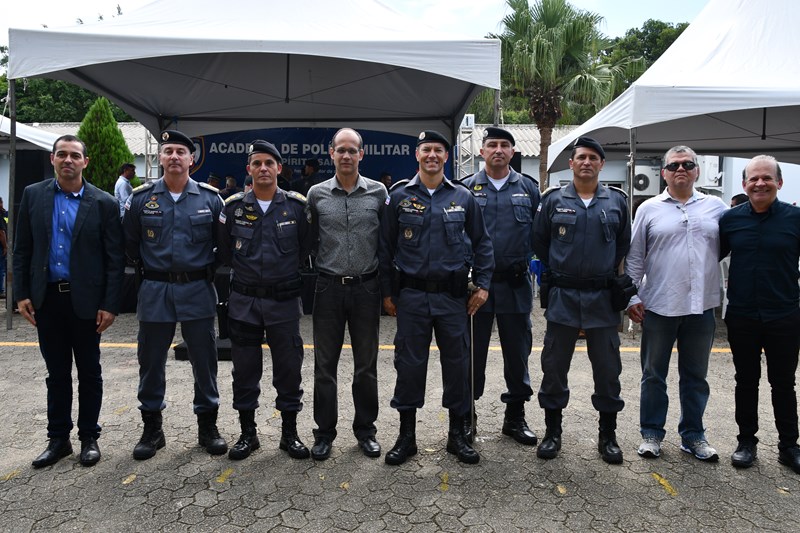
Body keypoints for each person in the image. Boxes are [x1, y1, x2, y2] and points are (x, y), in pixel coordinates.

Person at [379, 130, 494, 465]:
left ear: (447, 156)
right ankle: (406, 437)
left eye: (438, 150)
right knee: (409, 365)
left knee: (458, 366)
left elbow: (483, 243)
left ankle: (457, 436)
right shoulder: (398, 196)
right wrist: (388, 293)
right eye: (426, 149)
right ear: (417, 155)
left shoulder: (463, 196)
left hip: (452, 298)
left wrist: (483, 285)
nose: (432, 155)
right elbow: (385, 247)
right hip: (412, 296)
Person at [13, 134, 125, 468]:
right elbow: (22, 250)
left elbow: (114, 259)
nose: (68, 160)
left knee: (90, 372)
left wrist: (110, 303)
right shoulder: (33, 196)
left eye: (74, 155)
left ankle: (89, 437)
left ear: (85, 162)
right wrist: (21, 294)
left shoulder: (102, 202)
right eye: (61, 154)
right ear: (52, 159)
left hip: (87, 303)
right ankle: (58, 439)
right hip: (47, 301)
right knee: (56, 373)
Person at [123, 130, 227, 460]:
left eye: (181, 151)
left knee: (204, 361)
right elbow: (129, 244)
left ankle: (207, 426)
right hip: (155, 289)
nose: (174, 157)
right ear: (160, 157)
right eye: (168, 151)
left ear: (192, 159)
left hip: (197, 288)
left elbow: (222, 248)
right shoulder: (140, 199)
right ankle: (152, 429)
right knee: (151, 362)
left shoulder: (211, 199)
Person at [532, 136, 631, 464]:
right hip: (563, 295)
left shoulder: (616, 202)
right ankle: (552, 432)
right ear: (571, 164)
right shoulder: (552, 201)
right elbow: (541, 243)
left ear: (601, 164)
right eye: (581, 157)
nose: (586, 162)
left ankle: (608, 436)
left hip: (602, 298)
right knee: (554, 367)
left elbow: (621, 245)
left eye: (593, 157)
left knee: (607, 369)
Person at [625, 145, 727, 462]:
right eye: (674, 165)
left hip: (701, 309)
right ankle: (652, 434)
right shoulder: (649, 209)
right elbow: (635, 257)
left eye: (687, 164)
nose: (680, 169)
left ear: (697, 171)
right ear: (664, 173)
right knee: (654, 375)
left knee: (696, 377)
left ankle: (694, 436)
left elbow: (728, 247)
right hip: (659, 307)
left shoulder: (717, 207)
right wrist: (631, 296)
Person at [217, 140, 312, 461]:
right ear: (248, 170)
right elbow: (226, 252)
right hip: (244, 303)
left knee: (288, 369)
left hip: (284, 304)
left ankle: (290, 434)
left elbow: (305, 250)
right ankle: (248, 434)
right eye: (256, 163)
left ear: (279, 168)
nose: (263, 169)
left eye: (269, 163)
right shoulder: (232, 208)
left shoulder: (297, 208)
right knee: (244, 371)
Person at [305, 128, 387, 460]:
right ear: (331, 153)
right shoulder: (316, 194)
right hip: (328, 289)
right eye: (341, 150)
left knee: (365, 366)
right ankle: (324, 433)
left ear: (361, 155)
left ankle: (366, 431)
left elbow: (387, 241)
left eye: (353, 150)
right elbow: (309, 239)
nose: (347, 156)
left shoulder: (379, 194)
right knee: (325, 365)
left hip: (367, 288)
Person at [720, 154, 800, 474]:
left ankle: (789, 446)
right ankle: (746, 442)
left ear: (779, 183)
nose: (760, 183)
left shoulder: (796, 218)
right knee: (746, 381)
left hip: (784, 314)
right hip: (742, 314)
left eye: (767, 178)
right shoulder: (731, 220)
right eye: (753, 178)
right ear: (744, 184)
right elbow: (709, 255)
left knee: (783, 383)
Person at [462, 127, 540, 446]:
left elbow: (540, 236)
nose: (498, 149)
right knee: (470, 355)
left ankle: (515, 418)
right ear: (481, 152)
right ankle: (466, 416)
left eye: (504, 145)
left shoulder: (529, 189)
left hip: (515, 284)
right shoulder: (465, 189)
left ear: (512, 152)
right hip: (475, 287)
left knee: (517, 354)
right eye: (491, 145)